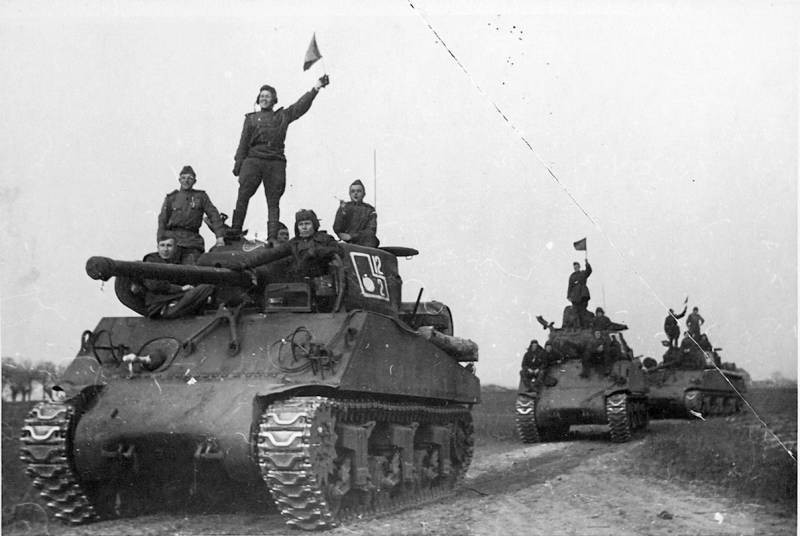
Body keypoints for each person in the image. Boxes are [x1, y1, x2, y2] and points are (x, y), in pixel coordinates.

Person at [230, 75, 330, 241]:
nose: (264, 99)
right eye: (262, 96)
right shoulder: (250, 119)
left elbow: (300, 107)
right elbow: (243, 143)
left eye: (267, 96)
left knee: (273, 201)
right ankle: (235, 230)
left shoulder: (282, 116)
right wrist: (238, 163)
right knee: (243, 195)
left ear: (274, 100)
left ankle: (272, 237)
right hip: (253, 159)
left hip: (275, 161)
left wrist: (316, 88)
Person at [157, 165, 226, 264]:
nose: (186, 181)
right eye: (183, 178)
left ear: (194, 181)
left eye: (190, 178)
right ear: (179, 180)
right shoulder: (172, 198)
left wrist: (219, 237)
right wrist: (160, 240)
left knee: (191, 267)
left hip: (192, 241)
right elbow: (162, 221)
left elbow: (214, 215)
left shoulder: (201, 197)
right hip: (173, 241)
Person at [142, 235, 215, 319]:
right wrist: (180, 289)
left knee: (206, 287)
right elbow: (154, 285)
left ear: (175, 248)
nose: (165, 249)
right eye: (162, 245)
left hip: (177, 298)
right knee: (206, 287)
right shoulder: (151, 260)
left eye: (169, 246)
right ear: (157, 248)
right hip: (160, 305)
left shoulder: (179, 260)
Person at [288, 209, 340, 279]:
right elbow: (275, 253)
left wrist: (317, 251)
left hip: (322, 279)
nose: (304, 227)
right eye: (300, 224)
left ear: (314, 225)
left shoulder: (325, 238)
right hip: (299, 281)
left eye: (307, 224)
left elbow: (338, 250)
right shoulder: (294, 243)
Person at [333, 179, 379, 247]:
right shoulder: (345, 207)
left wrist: (351, 236)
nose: (355, 193)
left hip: (363, 241)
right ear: (349, 194)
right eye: (353, 191)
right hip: (347, 242)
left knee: (372, 240)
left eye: (359, 191)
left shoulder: (370, 210)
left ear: (364, 194)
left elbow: (371, 230)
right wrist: (342, 213)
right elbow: (337, 228)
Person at [566, 260, 592, 327]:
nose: (576, 268)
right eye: (575, 267)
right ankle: (577, 326)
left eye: (577, 267)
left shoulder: (583, 273)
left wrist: (587, 264)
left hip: (583, 294)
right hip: (575, 296)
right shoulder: (572, 276)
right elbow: (570, 286)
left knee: (583, 311)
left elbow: (589, 271)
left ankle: (584, 325)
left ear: (579, 267)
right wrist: (568, 296)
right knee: (575, 312)